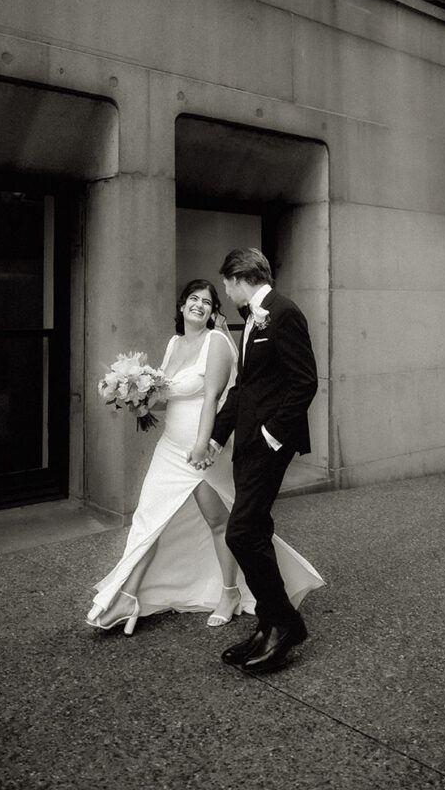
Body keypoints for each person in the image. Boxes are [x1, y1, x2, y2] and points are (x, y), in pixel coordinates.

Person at [86, 278, 323, 635]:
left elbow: (213, 397)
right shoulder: (173, 343)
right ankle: (126, 598)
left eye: (208, 302)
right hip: (169, 449)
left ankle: (229, 593)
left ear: (213, 313)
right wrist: (138, 402)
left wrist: (204, 446)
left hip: (200, 451)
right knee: (148, 520)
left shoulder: (217, 343)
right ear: (181, 306)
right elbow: (168, 397)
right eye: (194, 299)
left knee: (219, 522)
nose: (199, 305)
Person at [209, 248, 320, 674]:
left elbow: (304, 382)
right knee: (254, 530)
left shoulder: (284, 312)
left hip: (269, 444)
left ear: (240, 278)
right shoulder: (252, 318)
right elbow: (244, 388)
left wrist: (273, 435)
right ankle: (268, 624)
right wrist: (217, 437)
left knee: (240, 532)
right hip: (247, 444)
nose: (224, 290)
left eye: (226, 282)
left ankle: (287, 625)